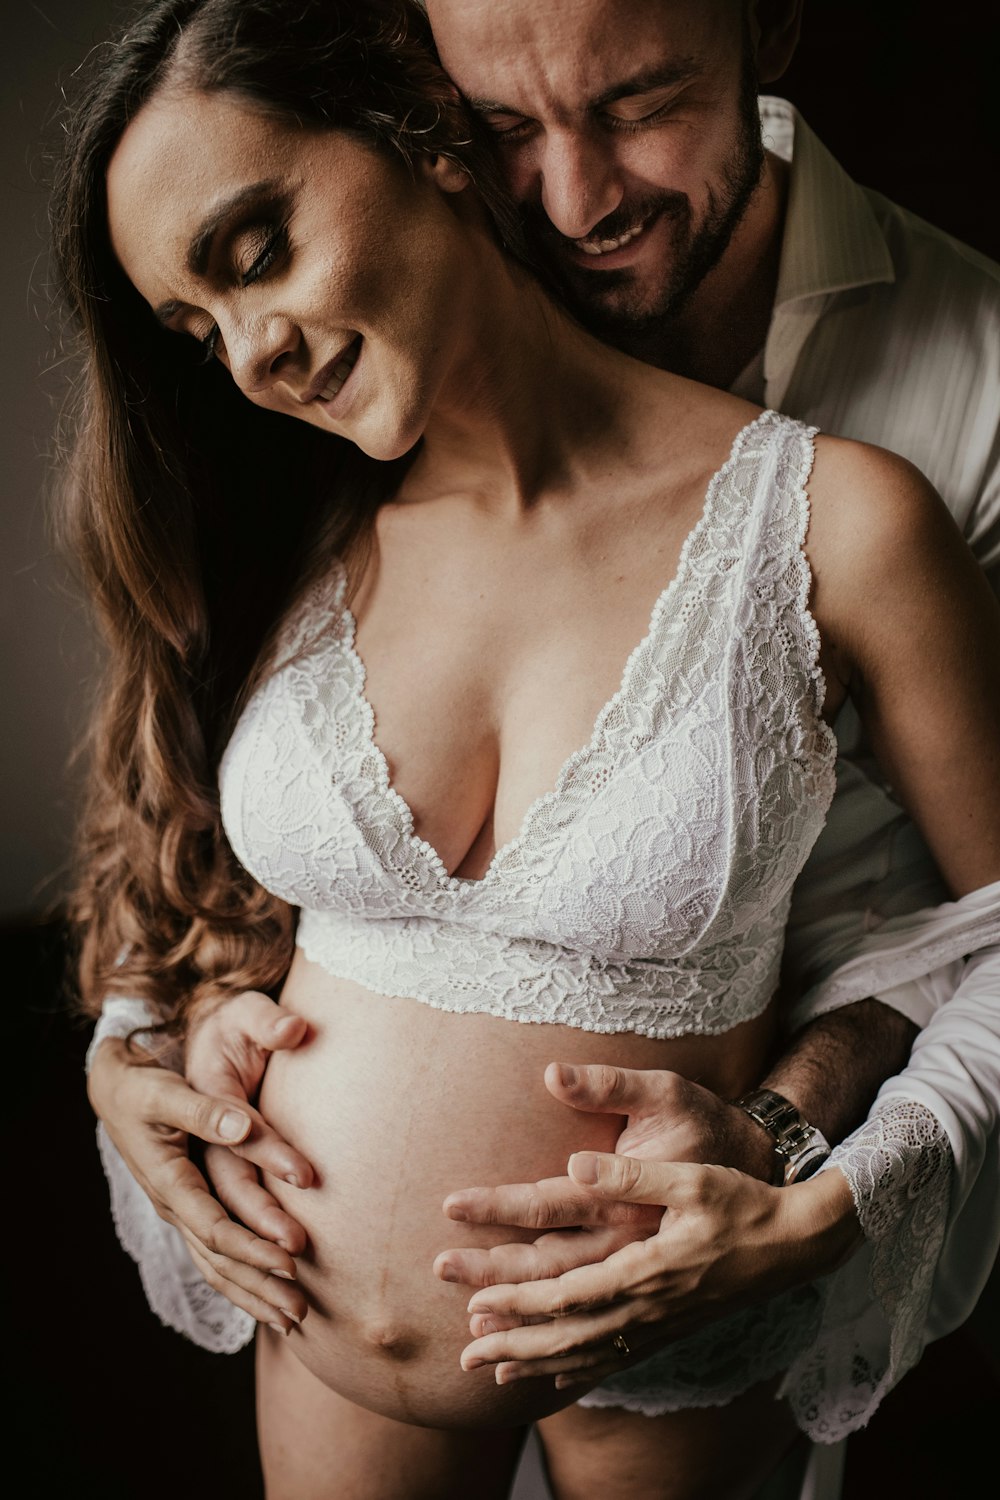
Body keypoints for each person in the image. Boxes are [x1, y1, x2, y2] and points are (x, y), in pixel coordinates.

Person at [64, 1, 1000, 1495]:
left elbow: (991, 930)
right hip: (308, 1336)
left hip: (664, 1338)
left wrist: (830, 1195)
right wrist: (139, 1041)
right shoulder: (285, 522)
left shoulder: (849, 515)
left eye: (260, 255)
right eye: (198, 327)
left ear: (417, 137)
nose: (250, 356)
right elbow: (168, 840)